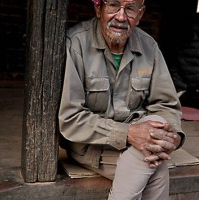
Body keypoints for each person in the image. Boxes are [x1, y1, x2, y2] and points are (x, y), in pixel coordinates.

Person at [58, 0, 185, 199]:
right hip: (91, 146)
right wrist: (128, 133)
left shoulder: (149, 46)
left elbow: (165, 104)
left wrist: (172, 137)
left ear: (141, 13)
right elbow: (71, 118)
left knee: (159, 128)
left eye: (130, 8)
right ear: (98, 8)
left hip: (141, 143)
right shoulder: (75, 44)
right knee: (156, 168)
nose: (121, 16)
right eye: (114, 5)